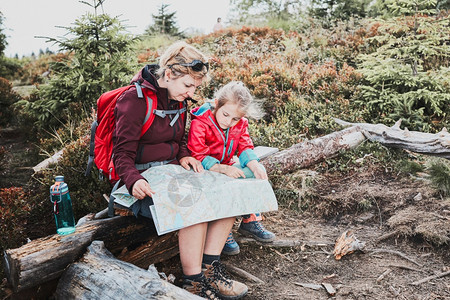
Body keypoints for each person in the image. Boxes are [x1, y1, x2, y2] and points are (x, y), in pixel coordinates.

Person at [112, 41, 248, 299]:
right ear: (169, 74)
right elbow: (121, 154)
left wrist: (184, 155)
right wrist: (133, 181)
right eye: (188, 85)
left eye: (195, 87)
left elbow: (179, 141)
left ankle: (211, 270)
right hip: (141, 182)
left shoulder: (178, 100)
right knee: (193, 202)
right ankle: (193, 281)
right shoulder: (134, 100)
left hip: (172, 172)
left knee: (227, 189)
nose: (191, 93)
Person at [187, 81, 276, 257]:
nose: (229, 122)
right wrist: (223, 169)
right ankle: (222, 231)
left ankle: (250, 219)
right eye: (226, 115)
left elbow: (244, 146)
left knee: (252, 173)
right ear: (217, 104)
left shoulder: (240, 123)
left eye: (235, 118)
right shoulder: (201, 122)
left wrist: (255, 165)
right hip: (203, 171)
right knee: (222, 186)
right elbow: (198, 154)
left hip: (225, 167)